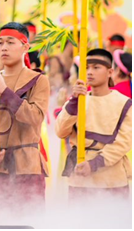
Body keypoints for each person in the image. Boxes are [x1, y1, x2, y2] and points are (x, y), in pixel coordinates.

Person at [0, 23, 50, 205]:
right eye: (0, 43)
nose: (3, 47)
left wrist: (5, 92)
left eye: (10, 42)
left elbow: (35, 117)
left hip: (26, 167)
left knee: (28, 221)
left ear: (25, 46)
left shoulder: (38, 80)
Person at [55, 48, 132, 200]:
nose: (89, 72)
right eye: (86, 68)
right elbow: (60, 131)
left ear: (110, 72)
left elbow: (123, 142)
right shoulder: (77, 100)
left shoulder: (124, 103)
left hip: (112, 180)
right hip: (79, 180)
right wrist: (74, 102)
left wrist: (94, 164)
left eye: (96, 67)